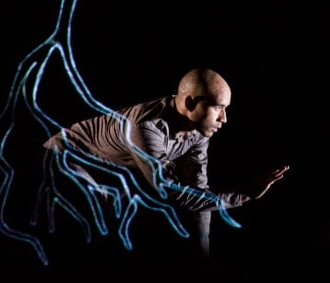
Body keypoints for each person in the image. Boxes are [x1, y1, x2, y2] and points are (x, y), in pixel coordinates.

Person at [42, 67, 289, 257]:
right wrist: (245, 195)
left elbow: (197, 193)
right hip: (65, 158)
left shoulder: (199, 131)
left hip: (107, 169)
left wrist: (204, 256)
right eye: (218, 108)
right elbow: (174, 194)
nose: (224, 118)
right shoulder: (145, 126)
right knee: (103, 219)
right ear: (190, 103)